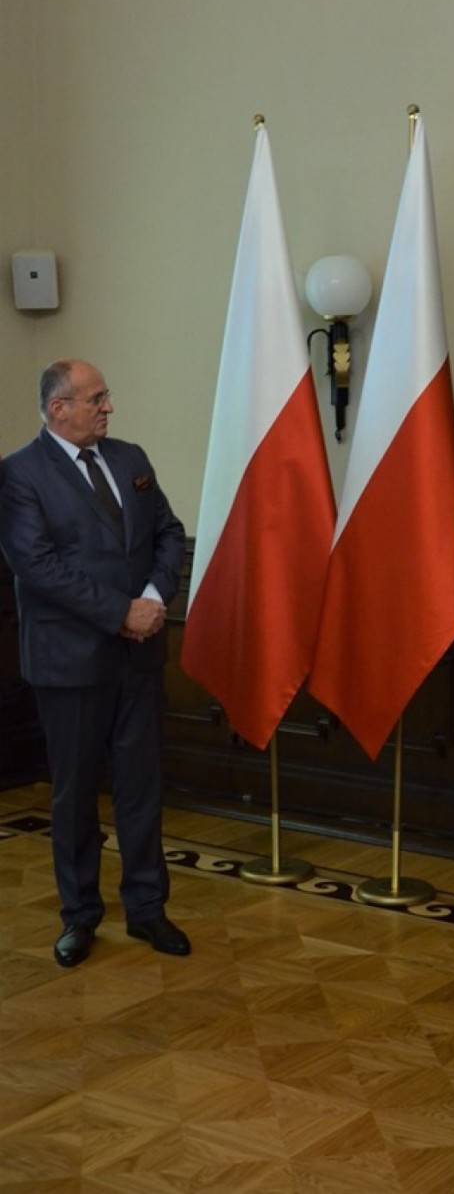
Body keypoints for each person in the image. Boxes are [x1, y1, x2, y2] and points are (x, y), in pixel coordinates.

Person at [0, 359, 189, 967]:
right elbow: (38, 567)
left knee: (141, 788)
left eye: (106, 397)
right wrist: (120, 612)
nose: (109, 407)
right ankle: (80, 916)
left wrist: (156, 600)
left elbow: (168, 532)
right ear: (60, 409)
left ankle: (147, 909)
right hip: (70, 663)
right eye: (97, 399)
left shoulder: (130, 458)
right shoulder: (19, 475)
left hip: (139, 656)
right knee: (75, 796)